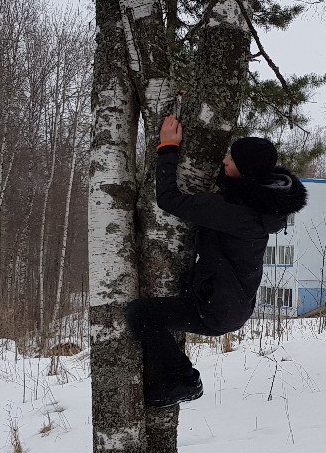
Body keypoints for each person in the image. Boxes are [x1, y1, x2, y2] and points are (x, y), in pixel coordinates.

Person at [126, 115, 307, 408]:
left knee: (140, 314)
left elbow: (169, 200)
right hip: (228, 303)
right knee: (150, 315)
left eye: (230, 158)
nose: (224, 160)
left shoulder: (234, 213)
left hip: (217, 309)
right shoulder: (258, 205)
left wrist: (168, 148)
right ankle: (178, 375)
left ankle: (183, 379)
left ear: (244, 170)